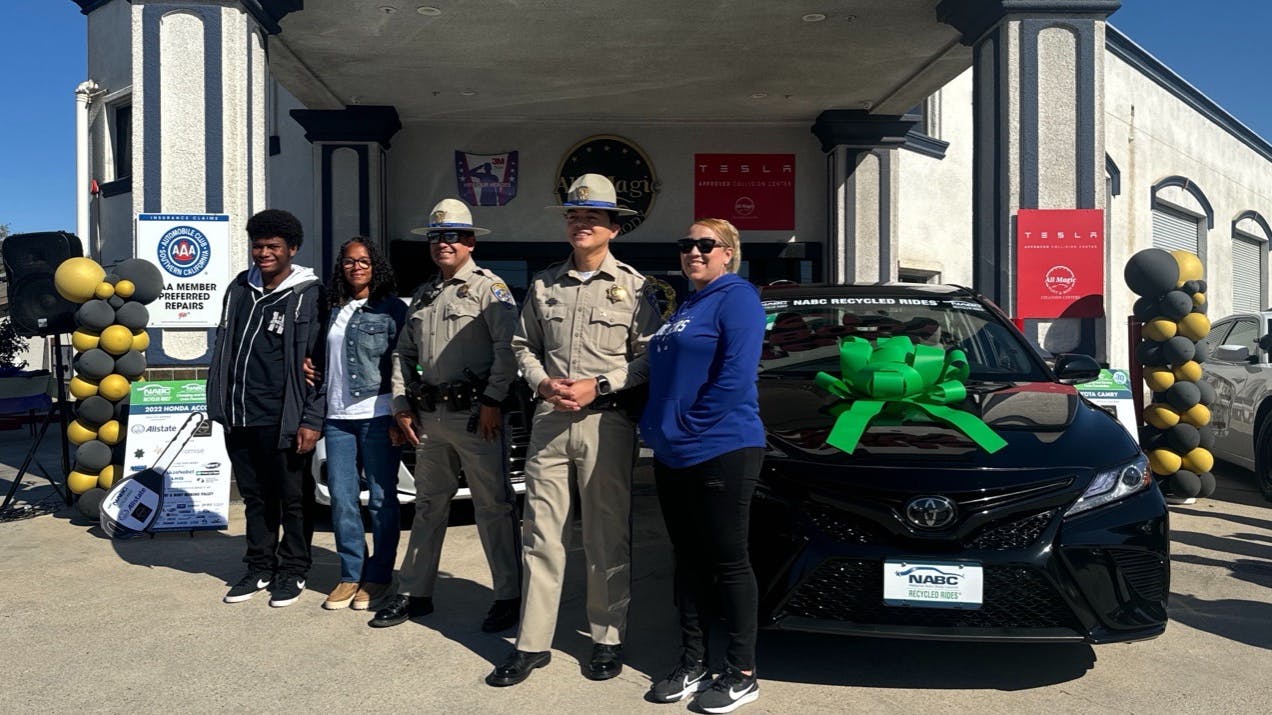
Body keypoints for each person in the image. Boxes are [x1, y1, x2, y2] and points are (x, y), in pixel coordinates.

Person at [486, 174, 662, 687]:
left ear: (613, 228)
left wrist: (599, 385)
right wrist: (542, 384)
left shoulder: (633, 287)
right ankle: (532, 643)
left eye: (592, 217)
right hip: (549, 423)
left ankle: (607, 637)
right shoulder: (543, 284)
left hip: (605, 423)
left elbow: (648, 357)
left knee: (607, 534)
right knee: (541, 533)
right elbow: (522, 346)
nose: (580, 223)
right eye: (573, 215)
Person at [371, 198, 522, 633]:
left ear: (470, 242)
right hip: (428, 415)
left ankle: (508, 595)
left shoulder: (489, 289)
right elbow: (404, 352)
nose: (443, 244)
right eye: (436, 237)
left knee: (493, 507)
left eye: (452, 236)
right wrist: (400, 403)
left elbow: (507, 349)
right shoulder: (425, 293)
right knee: (428, 506)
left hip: (477, 415)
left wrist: (494, 401)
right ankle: (415, 592)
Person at [640, 219, 765, 713]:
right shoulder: (686, 305)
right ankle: (693, 661)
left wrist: (689, 427)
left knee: (728, 562)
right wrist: (656, 428)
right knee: (686, 558)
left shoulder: (738, 298)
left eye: (705, 244)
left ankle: (742, 671)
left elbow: (736, 375)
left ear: (728, 253)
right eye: (686, 243)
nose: (694, 250)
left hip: (722, 446)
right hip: (673, 451)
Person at [208, 208, 327, 608]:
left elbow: (321, 364)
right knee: (256, 496)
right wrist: (219, 404)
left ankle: (293, 570)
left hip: (284, 418)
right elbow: (224, 349)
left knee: (293, 498)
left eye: (273, 246)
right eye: (258, 246)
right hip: (240, 414)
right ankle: (259, 566)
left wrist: (311, 418)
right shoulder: (239, 288)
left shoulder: (309, 294)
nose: (264, 253)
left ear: (292, 249)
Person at [317, 237, 407, 611]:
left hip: (378, 413)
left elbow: (405, 362)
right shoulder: (331, 309)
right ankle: (350, 573)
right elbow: (319, 354)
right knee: (341, 499)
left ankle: (380, 574)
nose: (356, 267)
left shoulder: (391, 310)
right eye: (350, 261)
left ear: (376, 266)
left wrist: (403, 413)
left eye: (364, 261)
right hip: (337, 418)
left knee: (383, 500)